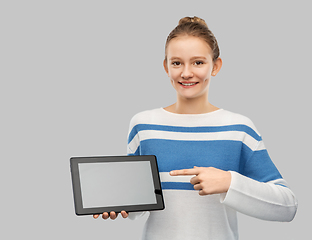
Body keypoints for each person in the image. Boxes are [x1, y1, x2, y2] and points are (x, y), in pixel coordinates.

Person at [94, 16, 298, 239]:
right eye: (176, 63)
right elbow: (139, 202)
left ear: (215, 66)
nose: (186, 73)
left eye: (198, 62)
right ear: (166, 66)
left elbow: (287, 206)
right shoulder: (143, 125)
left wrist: (229, 182)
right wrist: (118, 204)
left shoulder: (239, 129)